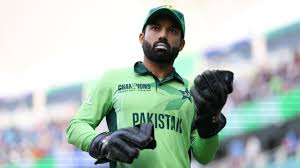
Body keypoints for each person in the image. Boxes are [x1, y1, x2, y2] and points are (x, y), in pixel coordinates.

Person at [66, 5, 234, 168]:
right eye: (155, 28)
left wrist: (211, 119)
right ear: (141, 37)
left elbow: (204, 156)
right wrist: (104, 142)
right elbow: (76, 126)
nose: (163, 35)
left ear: (181, 44)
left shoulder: (194, 91)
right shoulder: (113, 79)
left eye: (172, 31)